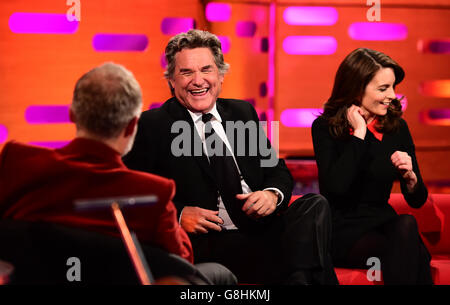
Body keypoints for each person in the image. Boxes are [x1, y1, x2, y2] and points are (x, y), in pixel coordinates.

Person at [123, 29, 338, 285]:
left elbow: (277, 170)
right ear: (171, 80)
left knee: (314, 205)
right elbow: (131, 197)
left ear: (220, 75)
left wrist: (271, 194)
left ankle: (299, 276)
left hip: (261, 230)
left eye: (206, 69)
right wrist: (178, 215)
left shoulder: (242, 111)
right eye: (186, 72)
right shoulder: (151, 125)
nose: (198, 80)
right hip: (212, 240)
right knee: (311, 260)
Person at [0, 62, 236, 285]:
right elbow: (180, 265)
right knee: (220, 274)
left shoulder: (17, 162)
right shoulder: (152, 193)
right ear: (133, 125)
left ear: (72, 114)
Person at [311, 48, 433, 284]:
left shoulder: (397, 128)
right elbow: (336, 187)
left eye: (393, 87)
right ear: (357, 89)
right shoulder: (324, 128)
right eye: (383, 88)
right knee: (413, 250)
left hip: (381, 222)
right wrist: (359, 134)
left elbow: (417, 201)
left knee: (407, 225)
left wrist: (410, 178)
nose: (392, 95)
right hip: (342, 229)